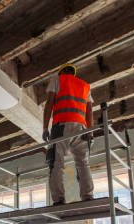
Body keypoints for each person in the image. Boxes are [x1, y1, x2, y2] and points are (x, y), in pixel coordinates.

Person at [43, 63, 95, 205]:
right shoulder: (85, 86)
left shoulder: (57, 80)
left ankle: (59, 199)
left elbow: (49, 104)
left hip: (62, 126)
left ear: (61, 72)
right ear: (73, 73)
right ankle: (88, 195)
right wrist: (90, 132)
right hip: (82, 128)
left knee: (56, 162)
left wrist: (45, 128)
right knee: (83, 163)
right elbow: (89, 111)